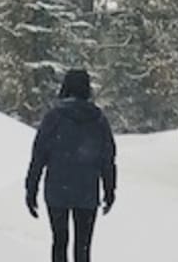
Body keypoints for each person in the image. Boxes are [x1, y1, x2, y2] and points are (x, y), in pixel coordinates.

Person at [24, 67, 117, 262]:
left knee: (59, 242)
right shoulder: (98, 119)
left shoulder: (53, 118)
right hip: (87, 192)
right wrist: (109, 190)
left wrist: (31, 188)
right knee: (82, 248)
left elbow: (39, 156)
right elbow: (107, 158)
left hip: (57, 191)